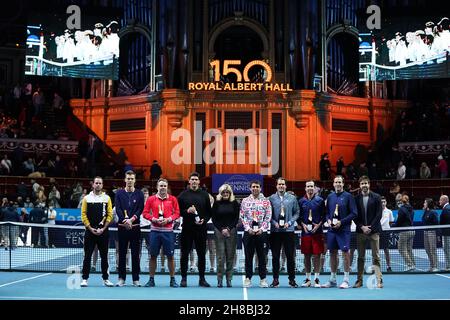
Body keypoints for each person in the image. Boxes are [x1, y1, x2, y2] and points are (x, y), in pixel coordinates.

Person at [142, 178, 180, 287]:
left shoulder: (173, 199)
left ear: (167, 187)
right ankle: (151, 279)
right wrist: (153, 219)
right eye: (161, 186)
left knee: (170, 256)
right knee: (153, 256)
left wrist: (169, 219)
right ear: (157, 187)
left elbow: (177, 213)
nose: (163, 187)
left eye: (164, 186)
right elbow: (145, 213)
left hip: (168, 232)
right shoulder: (150, 199)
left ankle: (172, 279)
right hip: (155, 231)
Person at [177, 172, 212, 287]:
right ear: (189, 181)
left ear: (199, 181)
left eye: (196, 179)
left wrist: (204, 220)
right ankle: (183, 278)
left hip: (201, 230)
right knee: (185, 254)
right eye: (192, 179)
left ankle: (202, 279)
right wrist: (186, 211)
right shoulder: (182, 195)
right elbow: (178, 212)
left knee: (201, 254)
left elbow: (208, 213)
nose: (194, 181)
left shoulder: (205, 195)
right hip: (187, 229)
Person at [322, 175, 357, 289]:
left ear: (343, 184)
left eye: (340, 182)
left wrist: (341, 222)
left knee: (345, 253)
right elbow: (326, 212)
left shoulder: (349, 196)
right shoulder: (330, 196)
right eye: (336, 182)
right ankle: (332, 279)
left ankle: (346, 280)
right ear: (333, 184)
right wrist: (328, 220)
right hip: (332, 230)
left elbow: (354, 213)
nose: (338, 184)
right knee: (332, 253)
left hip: (344, 230)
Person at [80, 177, 114, 287]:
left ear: (102, 185)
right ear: (93, 185)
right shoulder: (86, 198)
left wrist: (103, 228)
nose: (98, 185)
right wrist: (90, 228)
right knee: (87, 256)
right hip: (90, 232)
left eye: (100, 183)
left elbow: (109, 214)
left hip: (103, 232)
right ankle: (84, 279)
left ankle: (106, 279)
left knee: (104, 256)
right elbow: (83, 214)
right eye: (96, 183)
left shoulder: (107, 198)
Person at [268, 178, 300, 288]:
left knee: (290, 256)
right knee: (275, 257)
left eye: (283, 184)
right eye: (279, 184)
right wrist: (273, 223)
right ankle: (275, 279)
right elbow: (268, 214)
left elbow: (297, 212)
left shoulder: (292, 198)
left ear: (286, 186)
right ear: (276, 186)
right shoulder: (271, 199)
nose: (281, 186)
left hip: (289, 231)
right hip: (275, 232)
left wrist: (290, 222)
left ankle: (292, 280)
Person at [353, 176, 383, 288]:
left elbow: (378, 214)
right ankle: (359, 280)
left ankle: (379, 280)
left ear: (369, 184)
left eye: (366, 183)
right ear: (359, 186)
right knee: (360, 257)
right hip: (361, 232)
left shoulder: (376, 197)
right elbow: (355, 215)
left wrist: (370, 227)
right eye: (362, 184)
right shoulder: (355, 199)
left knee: (376, 257)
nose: (364, 185)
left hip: (373, 232)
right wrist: (362, 227)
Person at [115, 171, 144, 287]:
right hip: (122, 227)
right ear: (125, 180)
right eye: (128, 178)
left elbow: (140, 209)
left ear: (135, 180)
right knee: (122, 253)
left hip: (135, 228)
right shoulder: (119, 193)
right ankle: (121, 278)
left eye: (132, 178)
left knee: (135, 254)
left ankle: (135, 279)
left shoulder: (140, 194)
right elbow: (118, 209)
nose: (130, 180)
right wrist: (125, 221)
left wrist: (131, 220)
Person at [240, 180, 271, 288]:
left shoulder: (266, 201)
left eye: (257, 186)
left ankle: (263, 279)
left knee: (262, 257)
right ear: (250, 188)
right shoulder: (244, 201)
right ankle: (248, 278)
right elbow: (242, 216)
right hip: (249, 233)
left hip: (261, 233)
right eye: (253, 187)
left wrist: (262, 229)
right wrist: (248, 228)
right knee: (249, 257)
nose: (255, 188)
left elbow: (268, 216)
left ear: (260, 188)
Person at [298, 180, 325, 288]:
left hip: (317, 233)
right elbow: (298, 216)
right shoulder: (301, 201)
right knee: (307, 255)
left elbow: (324, 215)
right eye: (308, 186)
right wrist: (303, 225)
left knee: (317, 255)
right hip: (305, 233)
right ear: (305, 188)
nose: (310, 188)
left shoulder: (320, 200)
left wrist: (318, 225)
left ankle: (316, 278)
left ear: (314, 188)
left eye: (311, 186)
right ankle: (308, 278)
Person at [211, 184, 240, 288]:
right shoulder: (217, 203)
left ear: (230, 193)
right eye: (223, 192)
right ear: (221, 193)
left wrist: (228, 228)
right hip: (219, 232)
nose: (225, 194)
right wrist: (221, 229)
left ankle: (229, 279)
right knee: (220, 257)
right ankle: (219, 280)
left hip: (231, 231)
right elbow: (214, 218)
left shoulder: (234, 203)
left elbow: (236, 218)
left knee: (230, 257)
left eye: (227, 192)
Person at [396, 194, 416, 272]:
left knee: (401, 248)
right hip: (412, 230)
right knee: (409, 249)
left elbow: (399, 221)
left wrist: (394, 225)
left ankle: (410, 265)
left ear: (401, 201)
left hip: (405, 231)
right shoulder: (411, 209)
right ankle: (413, 264)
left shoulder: (401, 209)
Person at [422, 198, 439, 272]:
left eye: (425, 203)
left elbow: (436, 224)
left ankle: (435, 266)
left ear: (428, 204)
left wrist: (437, 235)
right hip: (425, 232)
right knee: (427, 249)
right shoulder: (425, 212)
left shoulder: (433, 212)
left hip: (432, 232)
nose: (424, 204)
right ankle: (431, 265)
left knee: (433, 249)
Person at [380, 197, 394, 272]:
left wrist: (386, 228)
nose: (383, 203)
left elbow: (391, 221)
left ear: (386, 202)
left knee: (386, 250)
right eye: (381, 202)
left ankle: (389, 266)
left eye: (384, 202)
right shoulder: (376, 211)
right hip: (377, 232)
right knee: (375, 250)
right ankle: (375, 266)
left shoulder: (389, 212)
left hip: (385, 232)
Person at [439, 195, 450, 271]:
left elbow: (444, 221)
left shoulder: (447, 209)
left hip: (447, 233)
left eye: (440, 200)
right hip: (446, 233)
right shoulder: (446, 208)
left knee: (447, 249)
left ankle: (449, 266)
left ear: (444, 200)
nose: (439, 201)